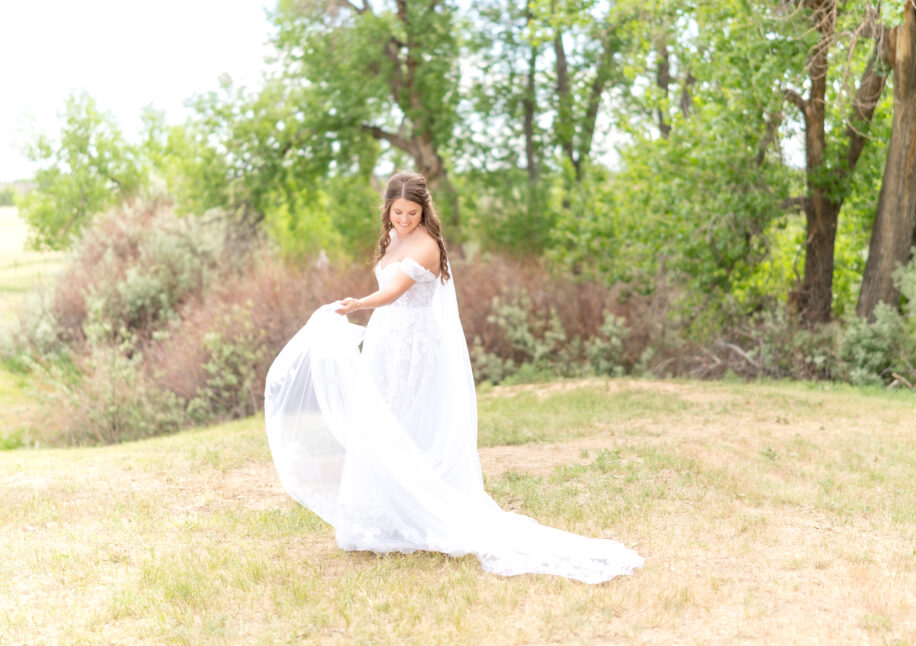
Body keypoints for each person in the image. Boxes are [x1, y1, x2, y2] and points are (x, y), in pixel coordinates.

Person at [265, 171, 643, 583]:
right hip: (385, 342)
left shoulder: (428, 246)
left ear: (424, 210)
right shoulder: (392, 239)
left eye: (412, 212)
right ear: (387, 210)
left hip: (414, 346)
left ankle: (417, 510)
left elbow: (393, 294)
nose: (404, 220)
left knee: (409, 423)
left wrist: (356, 303)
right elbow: (388, 288)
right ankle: (382, 515)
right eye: (397, 212)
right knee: (379, 423)